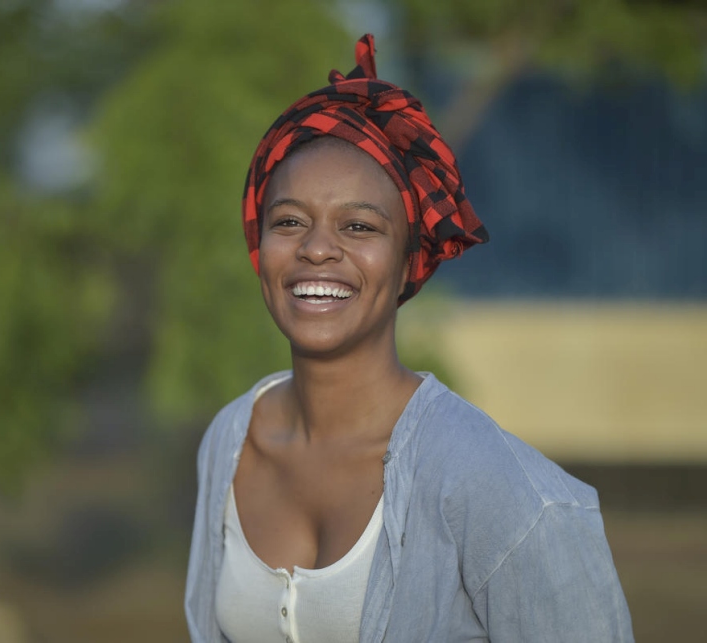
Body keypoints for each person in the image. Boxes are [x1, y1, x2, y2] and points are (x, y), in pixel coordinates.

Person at [184, 34, 634, 643]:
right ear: (258, 248)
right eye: (289, 221)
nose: (317, 247)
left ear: (407, 262)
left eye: (359, 225)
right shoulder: (231, 445)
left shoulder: (505, 496)